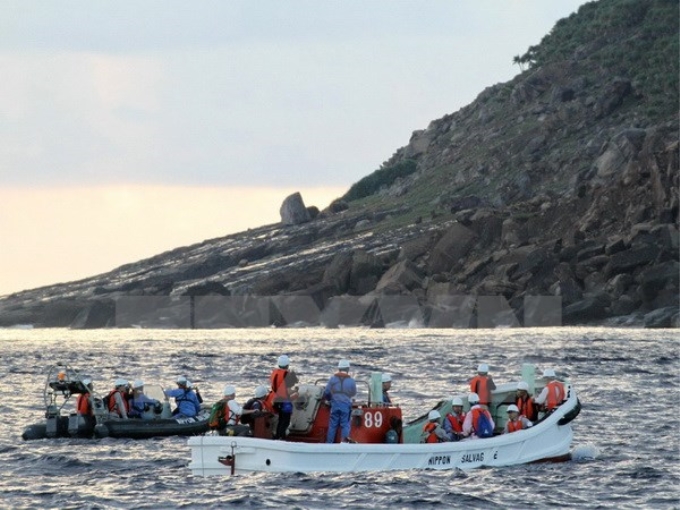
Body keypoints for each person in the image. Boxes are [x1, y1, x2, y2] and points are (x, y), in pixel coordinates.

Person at [323, 359, 357, 443]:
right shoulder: (351, 381)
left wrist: (329, 399)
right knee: (345, 425)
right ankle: (344, 444)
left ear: (339, 369)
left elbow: (326, 392)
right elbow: (353, 393)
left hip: (334, 405)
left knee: (332, 425)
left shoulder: (332, 379)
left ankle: (329, 444)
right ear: (348, 369)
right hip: (345, 405)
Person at [269, 355, 299, 440]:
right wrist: (295, 391)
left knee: (280, 420)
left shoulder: (275, 373)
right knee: (285, 422)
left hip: (276, 400)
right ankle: (281, 437)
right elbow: (288, 391)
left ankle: (277, 436)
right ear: (287, 365)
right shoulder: (286, 375)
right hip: (284, 401)